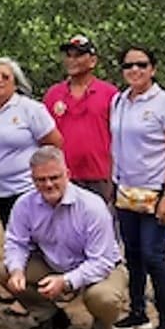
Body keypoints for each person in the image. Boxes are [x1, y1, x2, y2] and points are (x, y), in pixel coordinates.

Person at [0, 148, 125, 329]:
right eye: (41, 179)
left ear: (68, 173)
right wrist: (17, 270)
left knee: (104, 298)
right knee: (5, 271)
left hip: (101, 268)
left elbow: (102, 261)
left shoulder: (92, 207)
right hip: (53, 263)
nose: (48, 184)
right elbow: (16, 243)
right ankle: (51, 318)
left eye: (54, 177)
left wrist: (66, 281)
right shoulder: (24, 204)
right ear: (32, 179)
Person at [110, 46, 165, 329]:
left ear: (153, 69)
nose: (135, 70)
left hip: (159, 189)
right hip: (128, 189)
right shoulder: (119, 101)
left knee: (154, 254)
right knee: (133, 253)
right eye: (128, 65)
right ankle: (137, 312)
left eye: (141, 65)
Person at [0, 57, 62, 315]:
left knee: (36, 242)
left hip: (28, 187)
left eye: (5, 77)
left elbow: (54, 142)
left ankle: (36, 296)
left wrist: (47, 179)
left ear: (16, 82)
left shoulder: (30, 109)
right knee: (14, 238)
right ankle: (20, 288)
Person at [43, 35, 117, 203]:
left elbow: (119, 137)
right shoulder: (53, 94)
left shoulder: (110, 94)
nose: (72, 60)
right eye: (68, 55)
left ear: (92, 61)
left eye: (78, 55)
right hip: (62, 175)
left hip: (99, 176)